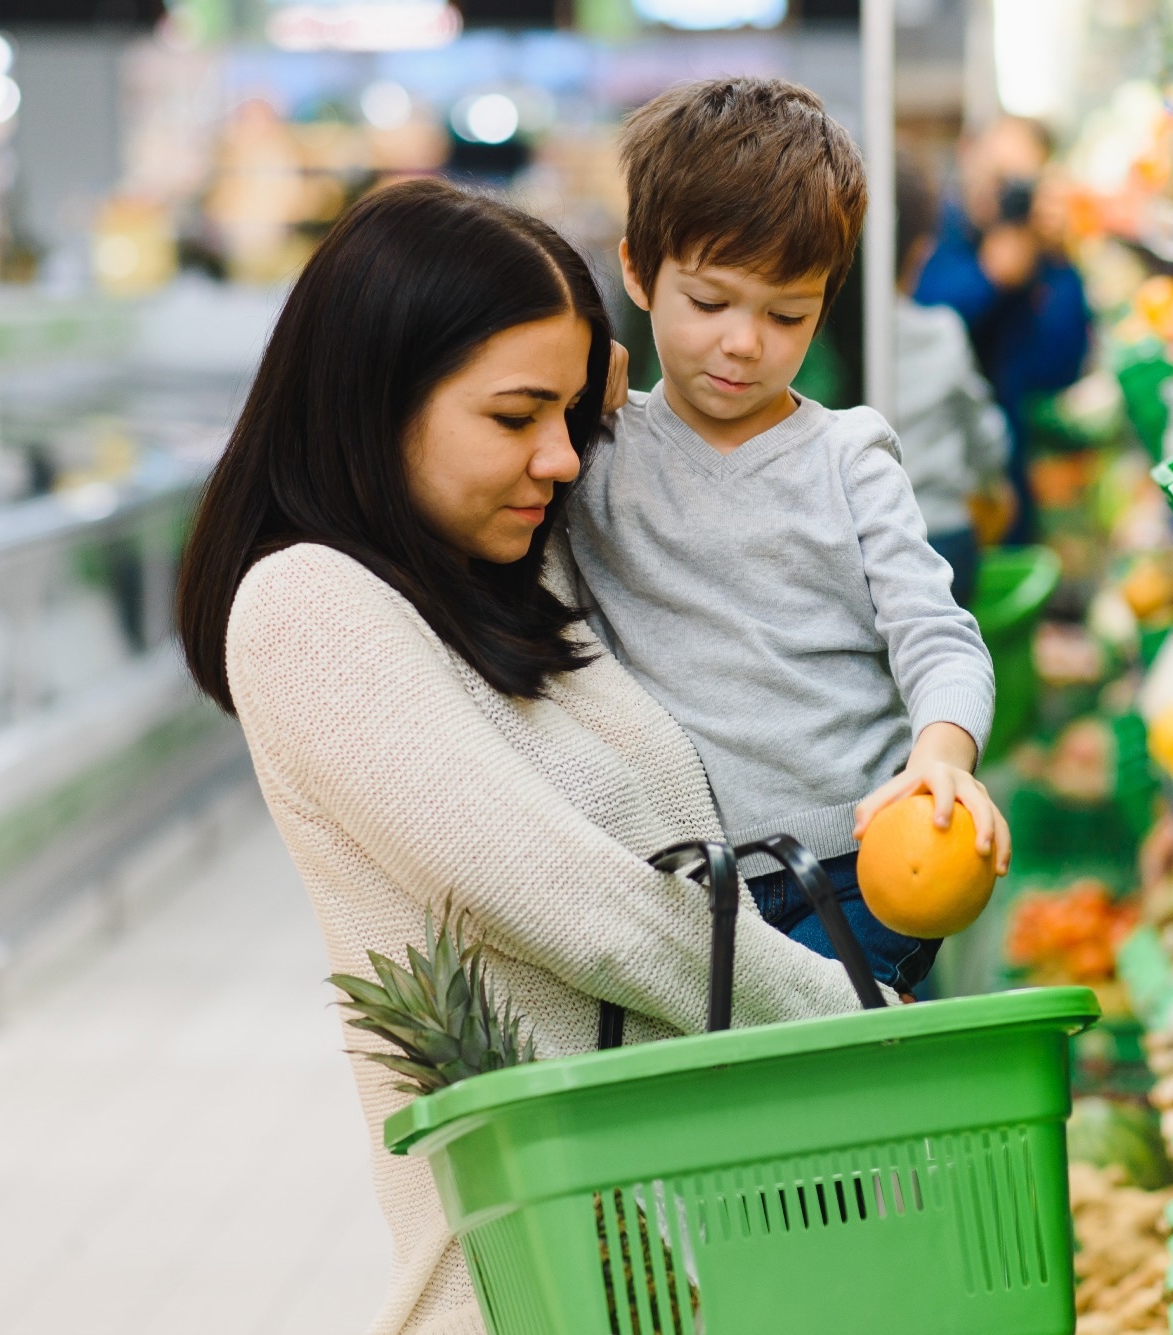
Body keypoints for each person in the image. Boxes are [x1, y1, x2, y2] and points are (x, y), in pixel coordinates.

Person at [175, 180, 886, 1335]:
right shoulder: (307, 607)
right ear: (373, 401)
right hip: (530, 1289)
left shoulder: (504, 579)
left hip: (689, 1267)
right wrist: (853, 1017)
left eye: (570, 417)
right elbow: (575, 905)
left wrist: (584, 377)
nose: (559, 459)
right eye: (513, 419)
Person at [568, 78, 1009, 998]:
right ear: (639, 274)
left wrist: (941, 759)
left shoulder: (850, 456)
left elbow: (937, 633)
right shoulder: (597, 450)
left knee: (839, 1091)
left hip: (856, 875)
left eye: (785, 315)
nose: (743, 343)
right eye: (710, 301)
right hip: (681, 891)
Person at [915, 115, 1093, 545]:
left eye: (1019, 182)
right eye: (997, 174)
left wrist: (1061, 262)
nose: (1003, 192)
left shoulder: (1039, 256)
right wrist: (990, 279)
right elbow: (921, 321)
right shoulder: (933, 229)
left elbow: (1059, 369)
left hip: (1005, 477)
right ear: (968, 155)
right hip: (928, 481)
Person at [893, 154, 1010, 608]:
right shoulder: (939, 332)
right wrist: (992, 482)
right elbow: (985, 436)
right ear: (921, 250)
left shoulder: (821, 334)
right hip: (940, 537)